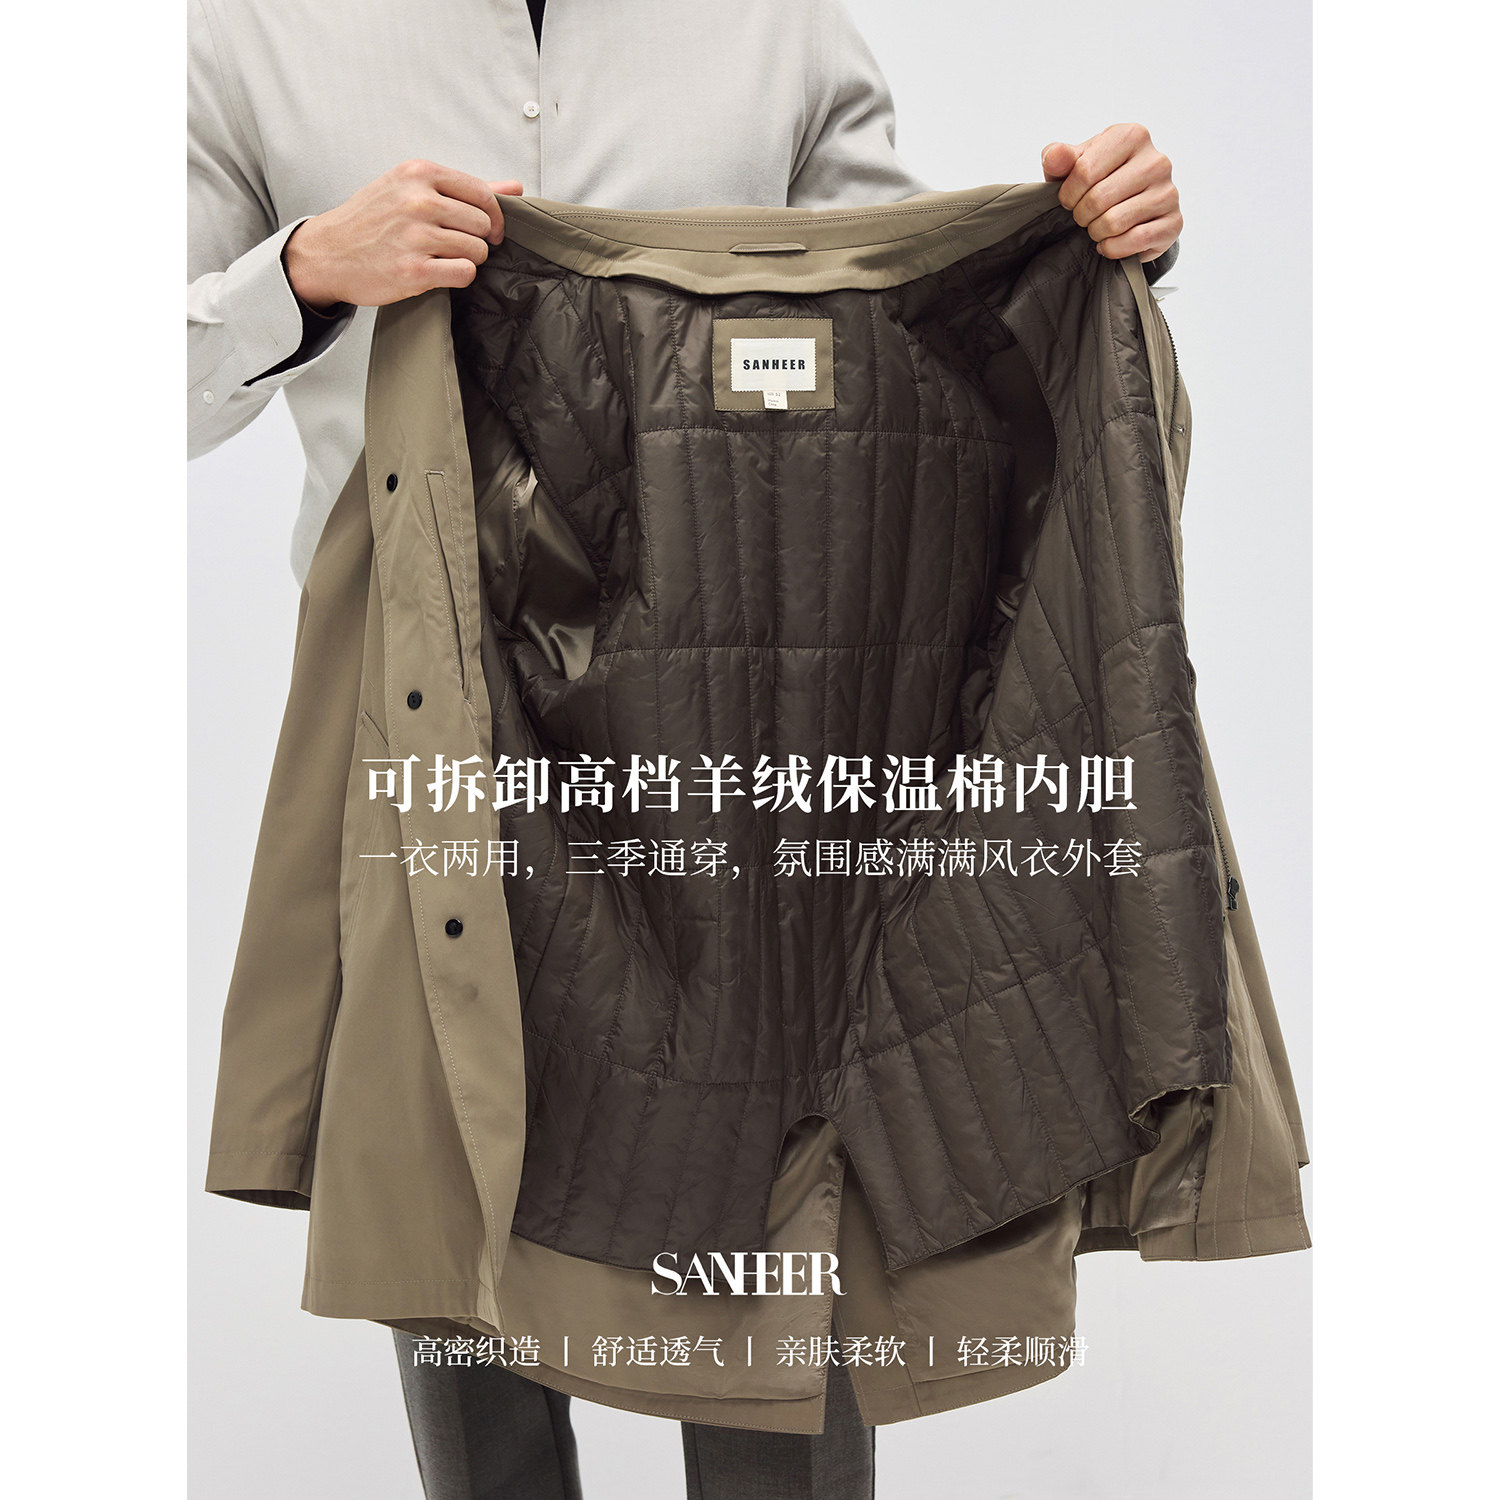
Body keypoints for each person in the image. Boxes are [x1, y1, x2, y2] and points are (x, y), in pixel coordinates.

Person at [188, 2, 1183, 1494]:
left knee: (780, 1249)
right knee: (465, 1256)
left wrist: (1086, 250)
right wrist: (304, 273)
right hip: (430, 713)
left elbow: (907, 322)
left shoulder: (773, 23)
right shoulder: (255, 32)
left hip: (755, 735)